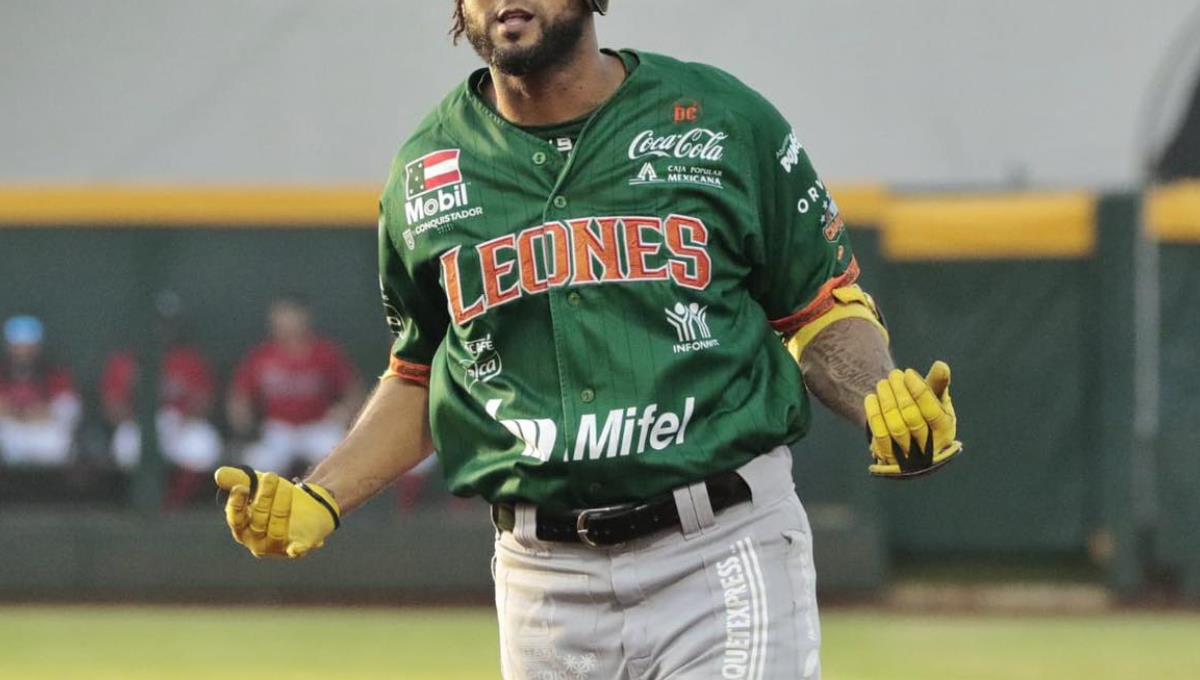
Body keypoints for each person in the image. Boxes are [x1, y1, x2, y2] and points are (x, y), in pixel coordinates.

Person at [214, 2, 964, 678]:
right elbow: (423, 373)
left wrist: (879, 400)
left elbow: (820, 309)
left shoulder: (722, 119)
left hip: (720, 546)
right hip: (543, 576)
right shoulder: (424, 173)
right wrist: (324, 494)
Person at [228, 296, 362, 476]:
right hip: (278, 429)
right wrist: (243, 420)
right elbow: (239, 396)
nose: (285, 323)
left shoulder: (325, 353)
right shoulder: (262, 355)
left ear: (305, 318)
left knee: (340, 461)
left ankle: (327, 504)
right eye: (280, 317)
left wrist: (345, 410)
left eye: (291, 316)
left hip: (318, 425)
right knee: (255, 467)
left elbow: (354, 392)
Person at [101, 324, 221, 507]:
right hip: (137, 425)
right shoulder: (124, 362)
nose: (157, 330)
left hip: (183, 425)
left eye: (163, 324)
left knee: (204, 447)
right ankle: (140, 507)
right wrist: (136, 419)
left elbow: (204, 400)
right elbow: (113, 406)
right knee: (126, 450)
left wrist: (185, 418)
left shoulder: (189, 360)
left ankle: (177, 504)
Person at [0, 316, 81, 467]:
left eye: (28, 346)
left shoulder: (55, 374)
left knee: (57, 440)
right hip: (9, 433)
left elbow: (68, 409)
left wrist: (40, 413)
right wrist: (16, 413)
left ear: (37, 346)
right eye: (18, 346)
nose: (23, 352)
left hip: (42, 432)